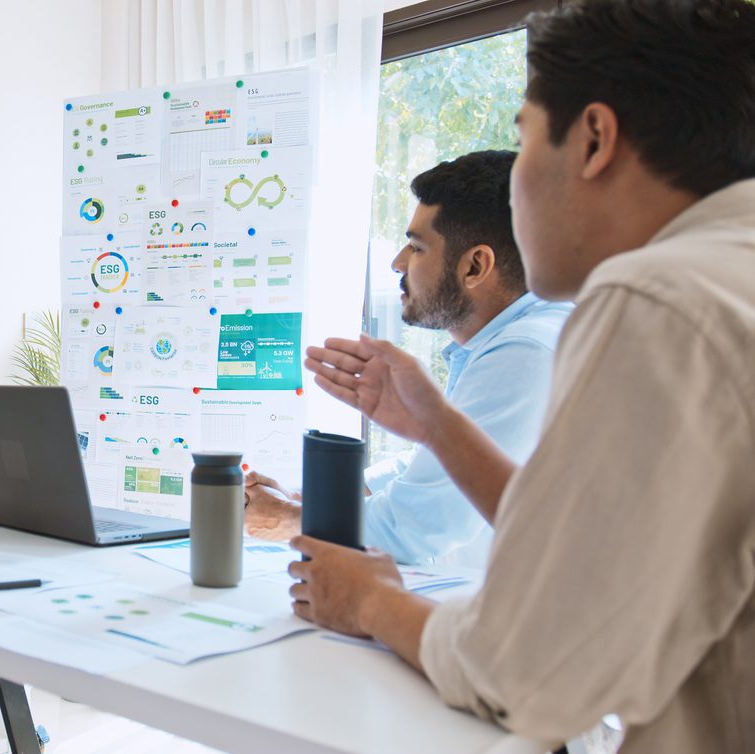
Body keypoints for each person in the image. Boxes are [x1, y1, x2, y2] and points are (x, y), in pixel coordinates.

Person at [288, 2, 755, 752]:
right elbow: (600, 552)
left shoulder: (656, 298)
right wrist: (435, 423)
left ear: (594, 140)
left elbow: (526, 666)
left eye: (524, 137)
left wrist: (369, 602)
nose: (516, 186)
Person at [244, 151, 570, 566]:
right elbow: (434, 470)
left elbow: (415, 528)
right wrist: (307, 501)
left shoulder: (523, 354)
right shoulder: (520, 339)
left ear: (475, 266)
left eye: (416, 247)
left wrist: (289, 520)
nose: (397, 262)